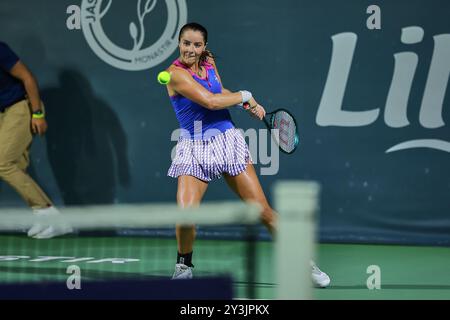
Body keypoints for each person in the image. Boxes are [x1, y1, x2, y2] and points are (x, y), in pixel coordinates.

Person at [164, 23, 330, 288]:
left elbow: (220, 94)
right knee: (186, 215)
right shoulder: (174, 74)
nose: (190, 49)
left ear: (204, 47)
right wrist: (245, 94)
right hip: (194, 147)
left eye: (196, 44)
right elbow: (209, 101)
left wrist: (246, 102)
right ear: (179, 43)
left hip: (227, 141)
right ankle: (183, 267)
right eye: (186, 43)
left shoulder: (208, 62)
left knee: (262, 210)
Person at [0, 41, 72, 239]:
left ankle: (50, 215)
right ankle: (42, 215)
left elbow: (27, 77)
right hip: (3, 113)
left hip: (22, 106)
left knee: (3, 163)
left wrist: (37, 113)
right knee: (16, 165)